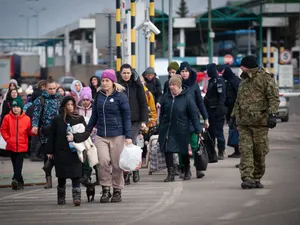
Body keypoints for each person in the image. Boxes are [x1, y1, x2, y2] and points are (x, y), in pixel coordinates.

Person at [230, 55, 280, 189]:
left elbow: (274, 98)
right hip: (244, 123)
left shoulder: (265, 78)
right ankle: (247, 178)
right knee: (245, 150)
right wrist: (233, 116)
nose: (240, 67)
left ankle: (257, 177)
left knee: (259, 152)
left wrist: (273, 115)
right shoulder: (243, 81)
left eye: (242, 65)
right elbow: (238, 101)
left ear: (249, 66)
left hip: (260, 123)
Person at [88, 69, 132, 203]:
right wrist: (87, 131)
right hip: (101, 135)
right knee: (103, 162)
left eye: (107, 81)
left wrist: (128, 136)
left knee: (117, 164)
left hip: (117, 134)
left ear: (113, 82)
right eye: (103, 81)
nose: (105, 83)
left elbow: (126, 116)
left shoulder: (121, 96)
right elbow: (94, 115)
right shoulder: (99, 95)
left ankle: (117, 190)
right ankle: (106, 189)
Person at [46, 96, 90, 206]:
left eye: (72, 104)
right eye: (68, 104)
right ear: (64, 106)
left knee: (76, 175)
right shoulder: (57, 119)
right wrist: (50, 151)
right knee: (61, 176)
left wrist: (75, 137)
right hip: (60, 151)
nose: (70, 107)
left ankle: (76, 197)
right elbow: (52, 135)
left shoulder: (79, 118)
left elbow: (86, 134)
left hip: (75, 151)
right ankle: (61, 196)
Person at [159, 75, 202, 182]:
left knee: (182, 151)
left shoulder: (187, 97)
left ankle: (187, 170)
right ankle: (170, 173)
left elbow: (194, 115)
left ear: (179, 86)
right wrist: (160, 126)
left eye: (174, 85)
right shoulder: (166, 97)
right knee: (167, 150)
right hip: (168, 128)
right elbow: (162, 113)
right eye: (170, 85)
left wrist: (198, 130)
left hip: (182, 129)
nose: (171, 87)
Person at [177, 62, 209, 179]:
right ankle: (184, 168)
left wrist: (205, 118)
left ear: (189, 72)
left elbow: (200, 103)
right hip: (180, 120)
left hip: (193, 120)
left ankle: (199, 168)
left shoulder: (194, 86)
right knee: (182, 147)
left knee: (195, 145)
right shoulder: (175, 84)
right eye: (182, 71)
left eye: (186, 71)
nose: (184, 73)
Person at [119, 64, 148, 184]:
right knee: (122, 147)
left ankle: (135, 170)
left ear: (131, 73)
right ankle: (126, 173)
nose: (126, 75)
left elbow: (143, 103)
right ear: (120, 73)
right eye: (124, 73)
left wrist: (143, 120)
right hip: (120, 120)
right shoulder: (117, 86)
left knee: (132, 144)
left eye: (128, 73)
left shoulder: (137, 85)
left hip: (134, 120)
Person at [31, 77, 62, 189]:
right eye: (50, 89)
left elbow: (64, 113)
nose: (52, 90)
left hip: (59, 131)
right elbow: (36, 115)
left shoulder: (59, 98)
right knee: (47, 156)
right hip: (46, 132)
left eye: (54, 88)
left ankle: (60, 179)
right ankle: (48, 179)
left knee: (59, 156)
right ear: (45, 88)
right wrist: (35, 126)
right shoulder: (41, 100)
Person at [0, 98, 34, 190]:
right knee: (15, 165)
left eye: (17, 107)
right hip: (11, 146)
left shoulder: (26, 119)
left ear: (21, 108)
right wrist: (8, 139)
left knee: (19, 164)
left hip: (22, 146)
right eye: (14, 106)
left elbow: (29, 132)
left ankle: (15, 179)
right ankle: (20, 182)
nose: (15, 108)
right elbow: (3, 130)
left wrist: (34, 131)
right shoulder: (7, 117)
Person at [204, 63, 227, 160]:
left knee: (219, 132)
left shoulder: (219, 81)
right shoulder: (211, 81)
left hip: (217, 111)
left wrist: (219, 107)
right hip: (210, 110)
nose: (207, 72)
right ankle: (212, 152)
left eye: (208, 70)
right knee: (211, 132)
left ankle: (221, 151)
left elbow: (222, 96)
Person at [77, 87, 98, 185]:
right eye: (84, 100)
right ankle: (86, 175)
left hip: (93, 134)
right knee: (84, 155)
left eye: (87, 99)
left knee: (94, 154)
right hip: (82, 135)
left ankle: (98, 175)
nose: (85, 102)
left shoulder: (94, 109)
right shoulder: (78, 110)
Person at [222, 66, 241, 158]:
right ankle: (236, 150)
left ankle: (239, 151)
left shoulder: (234, 81)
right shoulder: (229, 81)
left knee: (235, 131)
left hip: (235, 110)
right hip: (230, 110)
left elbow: (239, 95)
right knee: (232, 130)